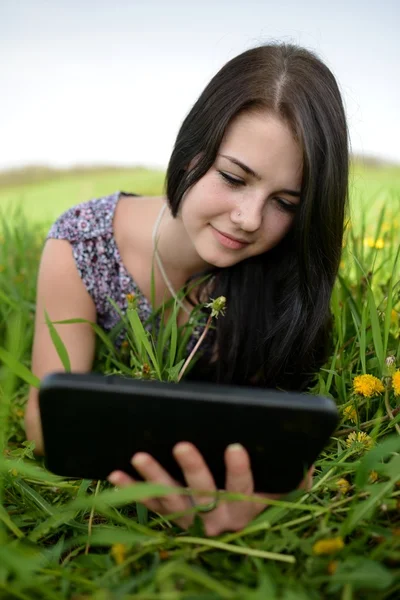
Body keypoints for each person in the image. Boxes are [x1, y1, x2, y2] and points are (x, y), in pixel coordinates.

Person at [25, 42, 349, 536]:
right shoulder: (80, 245)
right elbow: (46, 426)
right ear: (191, 149)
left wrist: (253, 489)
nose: (249, 219)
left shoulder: (284, 276)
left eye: (284, 202)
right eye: (233, 177)